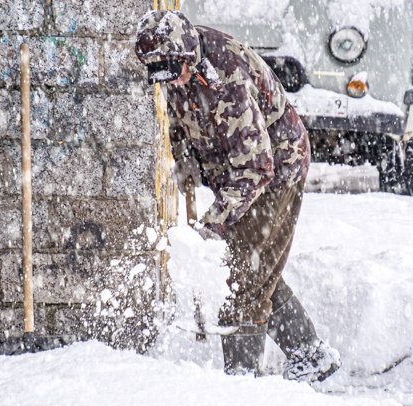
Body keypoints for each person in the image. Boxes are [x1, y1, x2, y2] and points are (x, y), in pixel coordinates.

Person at [135, 10, 341, 384]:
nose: (168, 81)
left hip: (276, 169)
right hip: (234, 173)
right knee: (257, 270)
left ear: (185, 56)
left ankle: (242, 385)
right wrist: (182, 161)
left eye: (171, 71)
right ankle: (310, 353)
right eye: (158, 73)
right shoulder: (178, 66)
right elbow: (183, 120)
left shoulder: (226, 78)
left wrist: (214, 222)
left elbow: (256, 167)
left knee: (244, 279)